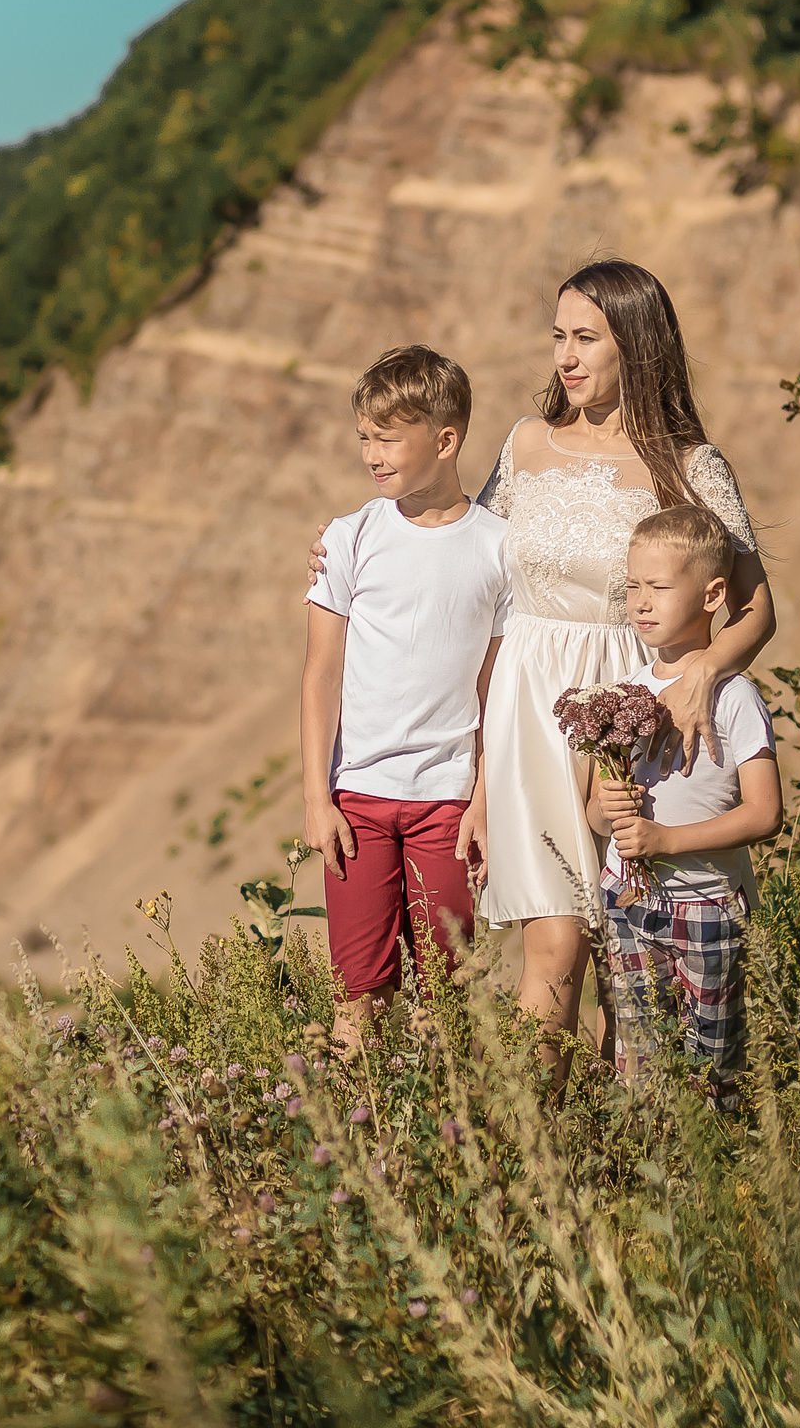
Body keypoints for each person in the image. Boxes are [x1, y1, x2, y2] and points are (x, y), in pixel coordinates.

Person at [309, 260, 775, 1090]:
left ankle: (623, 1138)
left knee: (630, 938)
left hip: (636, 718)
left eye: (585, 338)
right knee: (555, 939)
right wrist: (357, 536)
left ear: (635, 344)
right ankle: (527, 1148)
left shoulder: (691, 463)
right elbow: (465, 546)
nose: (565, 355)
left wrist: (703, 672)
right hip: (530, 707)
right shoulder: (526, 443)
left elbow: (755, 609)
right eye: (558, 336)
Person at [300, 346, 510, 1049]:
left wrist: (482, 799)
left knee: (445, 996)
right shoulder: (348, 538)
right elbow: (320, 674)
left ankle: (445, 1145)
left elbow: (495, 687)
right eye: (364, 436)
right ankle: (359, 1143)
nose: (371, 454)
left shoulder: (498, 549)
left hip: (448, 803)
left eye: (388, 437)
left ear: (446, 440)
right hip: (356, 797)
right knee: (356, 997)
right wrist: (315, 798)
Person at [588, 506, 782, 1106]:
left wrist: (667, 841)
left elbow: (765, 814)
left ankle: (715, 1187)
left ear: (712, 594)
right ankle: (653, 1178)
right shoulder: (624, 692)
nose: (640, 602)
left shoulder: (735, 696)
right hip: (628, 900)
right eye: (631, 587)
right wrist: (609, 804)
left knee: (712, 1069)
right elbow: (599, 815)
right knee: (639, 1069)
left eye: (659, 587)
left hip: (708, 907)